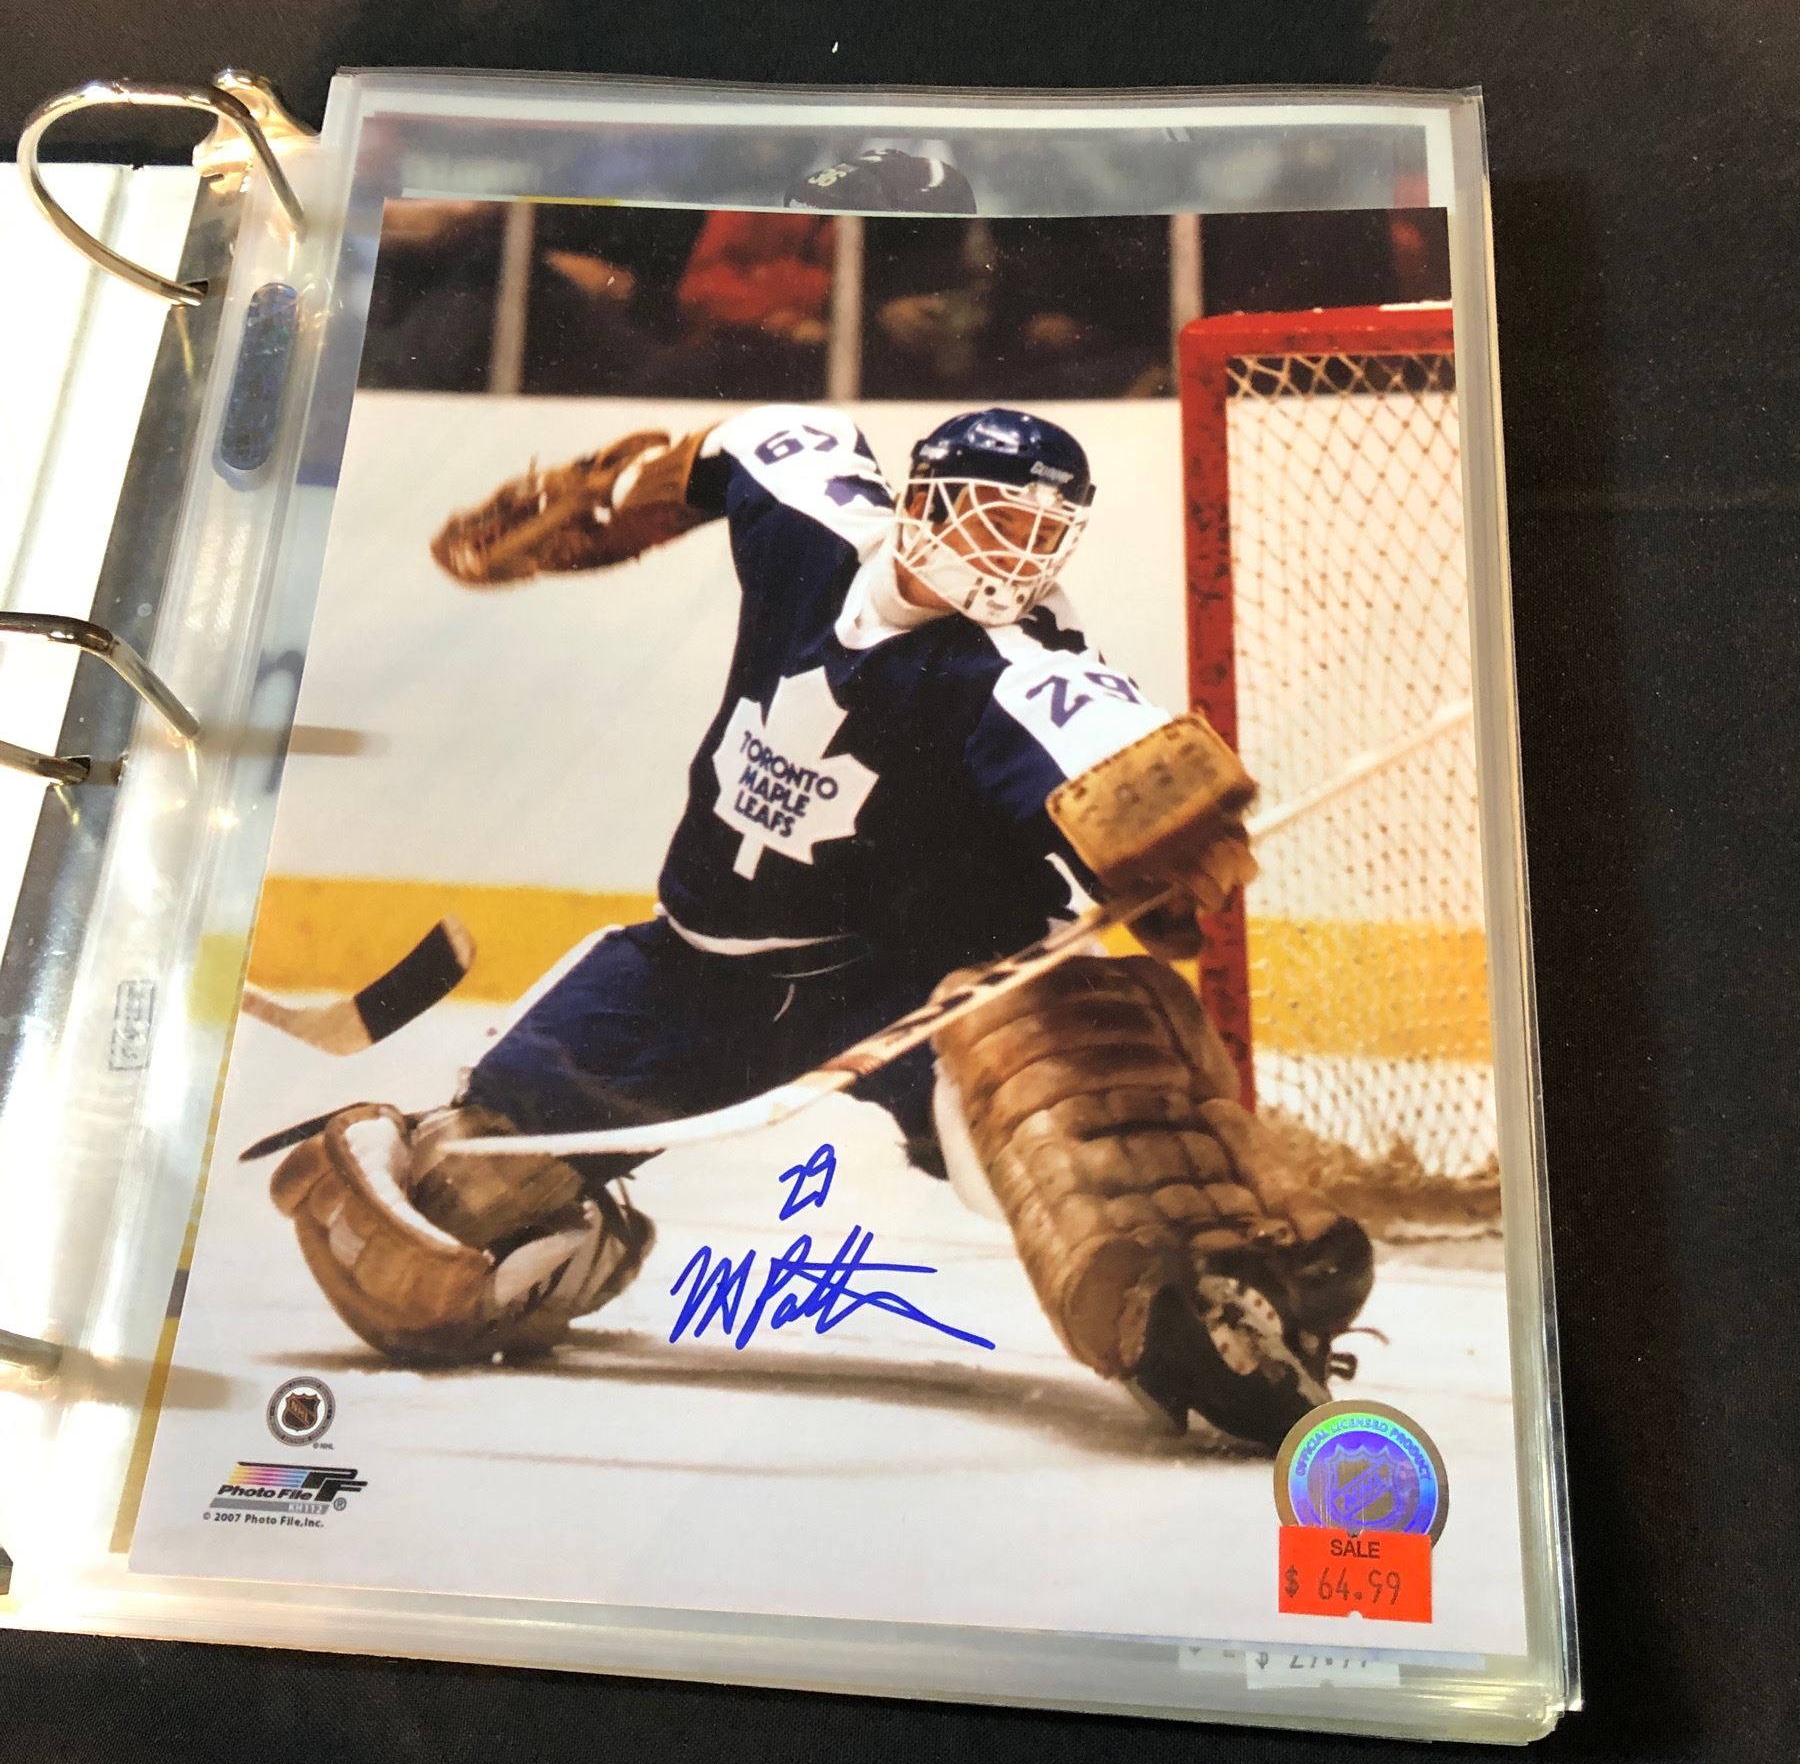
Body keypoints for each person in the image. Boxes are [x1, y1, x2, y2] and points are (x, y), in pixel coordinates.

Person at [269, 405, 1373, 1447]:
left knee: (1070, 1120)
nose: (1013, 555)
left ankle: (1201, 1296)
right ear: (922, 502)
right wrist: (632, 490)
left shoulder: (1030, 671)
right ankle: (575, 1246)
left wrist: (1170, 844)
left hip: (914, 984)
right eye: (994, 518)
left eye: (1043, 534)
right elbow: (737, 450)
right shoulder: (812, 517)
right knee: (433, 1223)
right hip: (693, 974)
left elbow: (1114, 758)